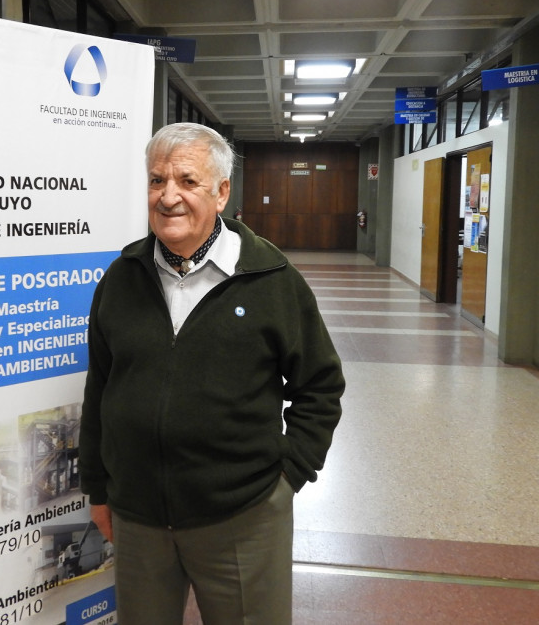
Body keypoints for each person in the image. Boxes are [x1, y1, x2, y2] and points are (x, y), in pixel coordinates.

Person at [79, 122, 344, 624]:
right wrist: (98, 488)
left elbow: (320, 386)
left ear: (221, 192)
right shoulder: (121, 278)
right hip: (139, 519)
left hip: (242, 516)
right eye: (157, 181)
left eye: (187, 181)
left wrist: (289, 474)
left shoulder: (272, 280)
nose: (168, 196)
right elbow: (101, 388)